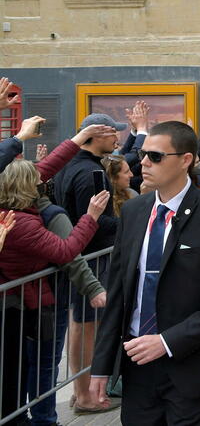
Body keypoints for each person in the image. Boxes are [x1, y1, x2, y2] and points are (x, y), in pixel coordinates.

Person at [89, 121, 200, 424]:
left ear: (185, 160)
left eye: (156, 156)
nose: (144, 162)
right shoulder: (135, 211)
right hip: (137, 363)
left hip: (191, 363)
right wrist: (101, 365)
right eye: (143, 155)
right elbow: (120, 292)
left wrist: (167, 341)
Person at [0, 161, 108, 426]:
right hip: (26, 303)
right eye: (38, 180)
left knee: (22, 365)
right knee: (32, 365)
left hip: (21, 302)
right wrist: (91, 217)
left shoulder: (14, 214)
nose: (43, 181)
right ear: (28, 186)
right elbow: (65, 251)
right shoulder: (23, 222)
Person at [51, 113, 127, 414]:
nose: (116, 139)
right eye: (112, 134)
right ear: (95, 135)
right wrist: (129, 222)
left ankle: (81, 391)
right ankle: (84, 395)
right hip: (90, 259)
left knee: (80, 326)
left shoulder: (70, 165)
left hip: (80, 256)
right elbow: (94, 221)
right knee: (87, 327)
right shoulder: (91, 173)